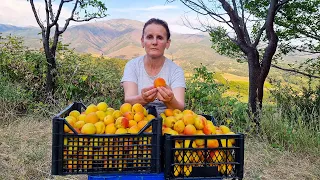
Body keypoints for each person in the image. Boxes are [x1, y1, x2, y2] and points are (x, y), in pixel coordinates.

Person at [121, 18, 186, 116]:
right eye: (150, 37)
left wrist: (170, 100)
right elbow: (128, 100)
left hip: (169, 123)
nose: (154, 42)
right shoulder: (132, 66)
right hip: (138, 121)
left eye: (160, 37)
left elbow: (180, 107)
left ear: (167, 43)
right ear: (143, 41)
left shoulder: (176, 71)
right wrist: (143, 98)